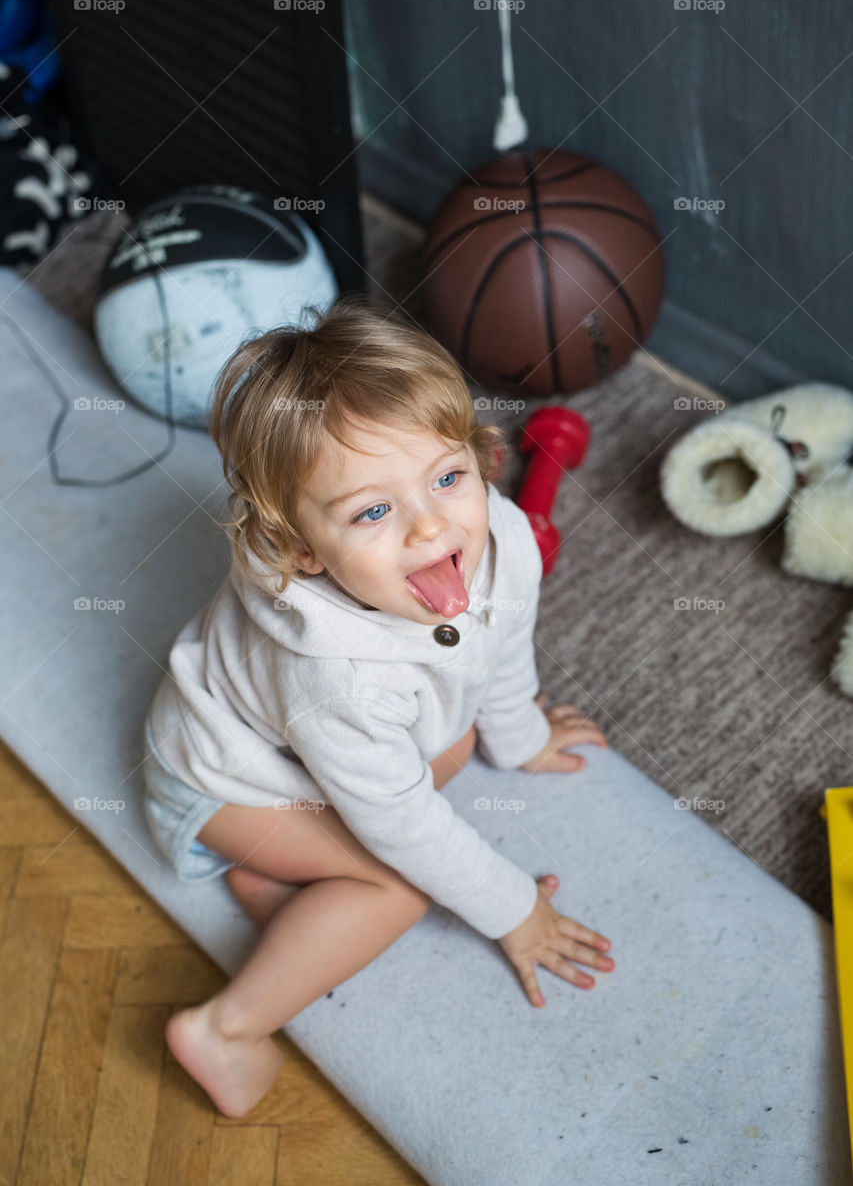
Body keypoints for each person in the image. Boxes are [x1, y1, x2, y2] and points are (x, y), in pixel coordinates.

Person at [141, 293, 615, 1118]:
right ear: (299, 549)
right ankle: (225, 1028)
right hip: (217, 782)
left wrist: (523, 736)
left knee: (456, 743)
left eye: (445, 477)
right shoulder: (338, 683)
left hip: (308, 761)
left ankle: (282, 888)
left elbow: (501, 646)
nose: (432, 529)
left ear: (480, 458)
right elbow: (403, 823)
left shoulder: (496, 538)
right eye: (371, 511)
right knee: (398, 886)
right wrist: (514, 910)